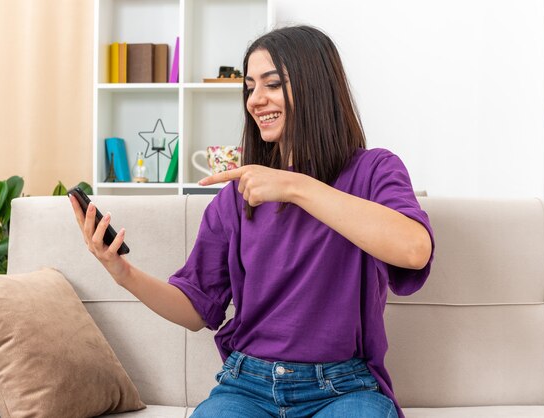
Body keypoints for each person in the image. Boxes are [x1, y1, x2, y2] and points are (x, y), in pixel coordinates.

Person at [70, 25, 434, 418]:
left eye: (272, 84)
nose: (255, 100)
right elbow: (195, 309)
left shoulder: (373, 170)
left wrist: (294, 185)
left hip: (344, 388)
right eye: (249, 88)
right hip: (247, 385)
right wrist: (121, 271)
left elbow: (413, 250)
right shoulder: (237, 198)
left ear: (316, 87)